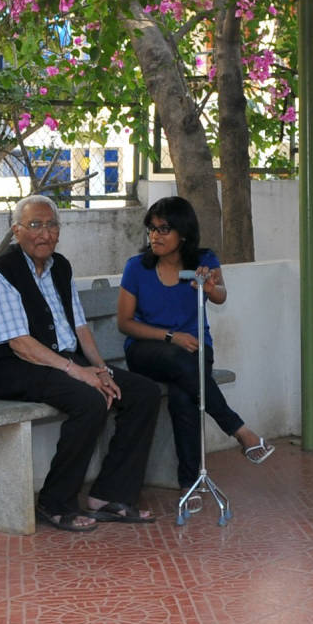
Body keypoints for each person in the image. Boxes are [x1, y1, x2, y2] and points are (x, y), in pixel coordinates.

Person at [0, 194, 162, 532]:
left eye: (51, 225)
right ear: (17, 231)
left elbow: (78, 325)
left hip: (60, 362)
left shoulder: (59, 267)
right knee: (89, 401)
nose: (44, 233)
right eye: (34, 225)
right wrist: (80, 374)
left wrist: (101, 370)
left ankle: (109, 494)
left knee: (141, 392)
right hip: (14, 368)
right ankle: (54, 501)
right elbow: (20, 344)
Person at [116, 195, 274, 490]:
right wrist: (169, 337)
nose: (155, 236)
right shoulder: (137, 267)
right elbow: (125, 323)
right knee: (179, 360)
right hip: (147, 352)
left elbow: (221, 296)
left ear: (183, 232)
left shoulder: (204, 261)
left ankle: (190, 483)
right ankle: (239, 429)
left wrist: (210, 287)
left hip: (195, 352)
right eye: (151, 229)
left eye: (164, 229)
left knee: (183, 397)